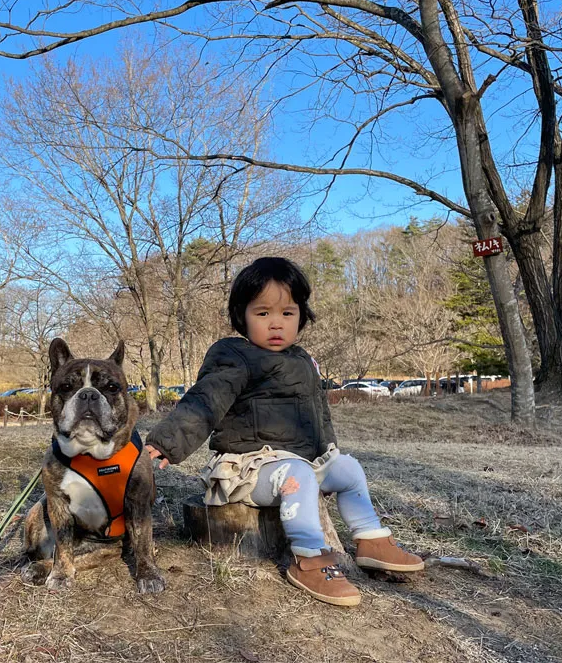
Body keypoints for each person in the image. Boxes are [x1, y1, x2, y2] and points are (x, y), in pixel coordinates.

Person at [145, 257, 422, 607]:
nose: (276, 324)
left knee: (348, 468)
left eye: (287, 313)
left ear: (301, 316)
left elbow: (317, 413)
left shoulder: (302, 359)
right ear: (241, 316)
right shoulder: (235, 356)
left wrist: (328, 452)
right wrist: (167, 442)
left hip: (301, 460)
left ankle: (371, 539)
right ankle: (308, 557)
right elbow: (205, 400)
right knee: (298, 474)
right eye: (262, 314)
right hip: (250, 467)